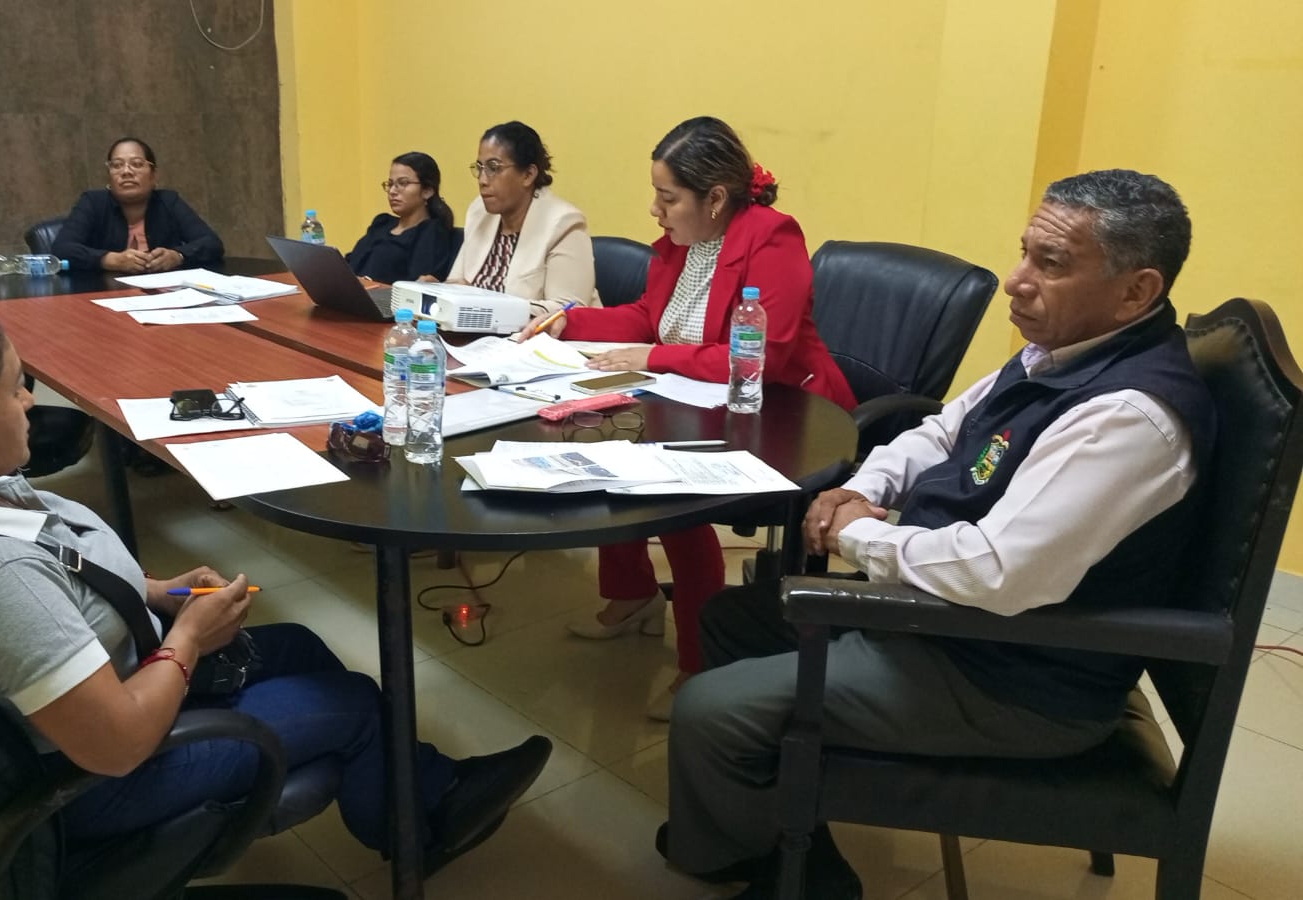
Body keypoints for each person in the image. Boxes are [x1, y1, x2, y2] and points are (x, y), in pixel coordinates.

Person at [0, 292, 551, 870]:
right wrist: (188, 639)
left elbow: (56, 570)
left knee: (301, 646)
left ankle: (412, 792)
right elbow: (118, 741)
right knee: (353, 702)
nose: (29, 401)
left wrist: (157, 593)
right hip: (104, 776)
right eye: (15, 387)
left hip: (96, 686)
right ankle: (419, 830)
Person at [661, 170, 1215, 899]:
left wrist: (859, 537)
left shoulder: (1128, 416)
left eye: (1049, 264)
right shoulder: (1063, 353)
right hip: (961, 625)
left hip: (1012, 675)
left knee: (709, 712)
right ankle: (785, 831)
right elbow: (942, 430)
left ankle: (753, 863)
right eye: (1025, 252)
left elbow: (996, 572)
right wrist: (866, 489)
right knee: (731, 620)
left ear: (1136, 292)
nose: (1017, 280)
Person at [518, 116, 855, 722]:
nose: (655, 210)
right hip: (697, 399)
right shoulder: (682, 243)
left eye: (667, 197)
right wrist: (569, 320)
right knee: (608, 443)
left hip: (782, 413)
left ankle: (701, 663)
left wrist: (652, 357)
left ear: (715, 198)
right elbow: (649, 317)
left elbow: (765, 355)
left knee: (668, 489)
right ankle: (632, 595)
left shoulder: (771, 238)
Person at [449, 121, 598, 315]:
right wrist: (436, 290)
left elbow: (567, 310)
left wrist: (485, 304)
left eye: (493, 168)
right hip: (473, 331)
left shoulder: (564, 223)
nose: (482, 180)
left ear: (528, 175)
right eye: (480, 168)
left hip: (537, 334)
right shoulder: (480, 212)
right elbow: (456, 283)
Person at [53, 137, 225, 274]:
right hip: (102, 293)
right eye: (117, 165)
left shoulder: (169, 201)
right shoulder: (92, 202)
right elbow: (62, 248)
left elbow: (212, 243)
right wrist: (110, 260)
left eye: (136, 164)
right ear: (109, 176)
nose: (126, 172)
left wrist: (178, 256)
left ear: (153, 175)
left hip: (163, 294)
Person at [347, 151, 460, 284]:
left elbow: (416, 283)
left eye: (403, 183)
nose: (392, 191)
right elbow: (350, 263)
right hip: (351, 292)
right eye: (390, 184)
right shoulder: (382, 223)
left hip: (386, 297)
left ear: (427, 191)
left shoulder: (432, 231)